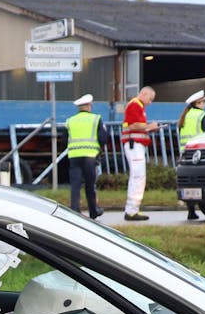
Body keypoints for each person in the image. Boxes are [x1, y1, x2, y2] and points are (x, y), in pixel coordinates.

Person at [64, 93, 112, 219]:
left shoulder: (70, 121)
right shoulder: (96, 119)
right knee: (90, 185)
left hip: (74, 156)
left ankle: (75, 210)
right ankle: (93, 211)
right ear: (89, 106)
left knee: (75, 184)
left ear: (79, 107)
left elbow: (64, 139)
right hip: (90, 157)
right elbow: (103, 138)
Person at [120, 86, 159, 221]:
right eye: (150, 98)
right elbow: (133, 125)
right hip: (134, 145)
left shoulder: (138, 105)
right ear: (144, 93)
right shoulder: (135, 105)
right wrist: (150, 126)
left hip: (135, 145)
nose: (150, 102)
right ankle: (132, 210)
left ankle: (133, 209)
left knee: (138, 177)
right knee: (138, 177)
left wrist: (148, 128)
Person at [177, 90, 205, 220]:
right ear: (197, 103)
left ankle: (191, 211)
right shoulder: (202, 115)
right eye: (204, 101)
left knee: (189, 182)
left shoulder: (185, 116)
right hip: (200, 154)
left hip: (185, 154)